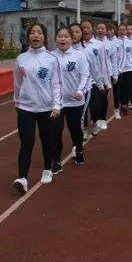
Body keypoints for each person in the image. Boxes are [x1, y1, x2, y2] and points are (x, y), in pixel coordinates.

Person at [12, 23, 62, 194]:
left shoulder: (51, 59)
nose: (35, 35)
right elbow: (18, 83)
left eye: (39, 33)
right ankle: (22, 178)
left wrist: (56, 105)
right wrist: (17, 101)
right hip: (26, 107)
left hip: (46, 108)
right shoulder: (21, 59)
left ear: (44, 37)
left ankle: (47, 168)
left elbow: (56, 84)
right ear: (28, 37)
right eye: (32, 32)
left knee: (46, 140)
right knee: (26, 142)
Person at [51, 26, 91, 168]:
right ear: (56, 39)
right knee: (56, 131)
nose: (62, 39)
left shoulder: (78, 56)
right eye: (60, 36)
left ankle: (79, 150)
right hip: (57, 103)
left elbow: (85, 75)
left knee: (75, 129)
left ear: (71, 39)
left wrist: (80, 91)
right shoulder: (51, 56)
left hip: (74, 101)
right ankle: (56, 160)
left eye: (66, 36)